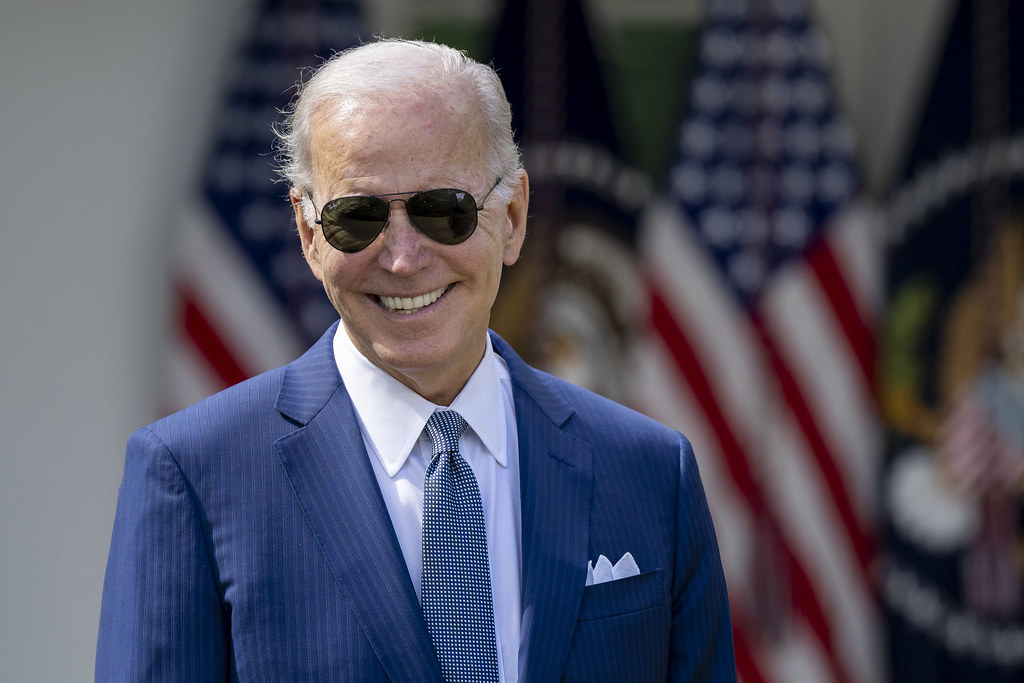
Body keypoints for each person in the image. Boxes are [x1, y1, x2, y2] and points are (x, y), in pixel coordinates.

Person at [96, 38, 735, 681]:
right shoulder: (193, 476)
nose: (402, 258)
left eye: (444, 212)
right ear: (308, 233)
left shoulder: (652, 474)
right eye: (358, 217)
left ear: (512, 218)